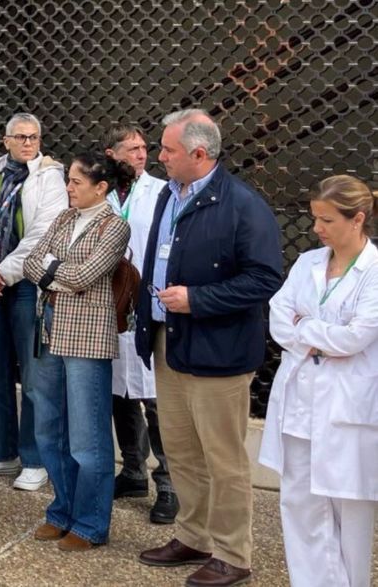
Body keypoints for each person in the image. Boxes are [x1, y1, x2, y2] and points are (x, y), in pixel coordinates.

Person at [136, 109, 282, 586]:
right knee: (180, 451)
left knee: (224, 460)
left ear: (200, 154)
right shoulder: (168, 195)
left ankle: (233, 554)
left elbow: (263, 278)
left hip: (217, 352)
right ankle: (193, 535)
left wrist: (197, 300)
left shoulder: (243, 205)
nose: (159, 157)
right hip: (169, 343)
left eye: (168, 151)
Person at [261, 175, 377, 587]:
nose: (317, 229)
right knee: (300, 504)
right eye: (315, 219)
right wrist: (320, 335)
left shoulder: (374, 271)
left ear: (357, 219)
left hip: (347, 407)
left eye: (326, 220)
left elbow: (358, 336)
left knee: (350, 510)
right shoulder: (309, 262)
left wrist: (305, 329)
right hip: (300, 400)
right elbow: (279, 316)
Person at [22, 151, 131, 551]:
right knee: (48, 427)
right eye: (68, 180)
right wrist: (57, 273)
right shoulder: (64, 218)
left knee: (87, 437)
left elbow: (87, 274)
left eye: (76, 182)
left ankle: (90, 523)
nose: (68, 188)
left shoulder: (114, 227)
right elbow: (34, 261)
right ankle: (61, 510)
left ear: (101, 188)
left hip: (86, 337)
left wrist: (53, 271)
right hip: (49, 329)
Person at [0, 112, 66, 491]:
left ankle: (34, 458)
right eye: (21, 137)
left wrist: (4, 272)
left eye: (34, 137)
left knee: (33, 377)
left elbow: (42, 235)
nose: (28, 143)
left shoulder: (51, 177)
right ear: (5, 140)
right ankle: (0, 453)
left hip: (25, 283)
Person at [104, 124, 177, 524]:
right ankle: (133, 470)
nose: (141, 154)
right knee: (120, 394)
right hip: (112, 306)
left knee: (154, 398)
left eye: (144, 148)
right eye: (131, 148)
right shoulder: (103, 192)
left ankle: (168, 481)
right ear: (112, 153)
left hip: (147, 304)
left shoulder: (162, 192)